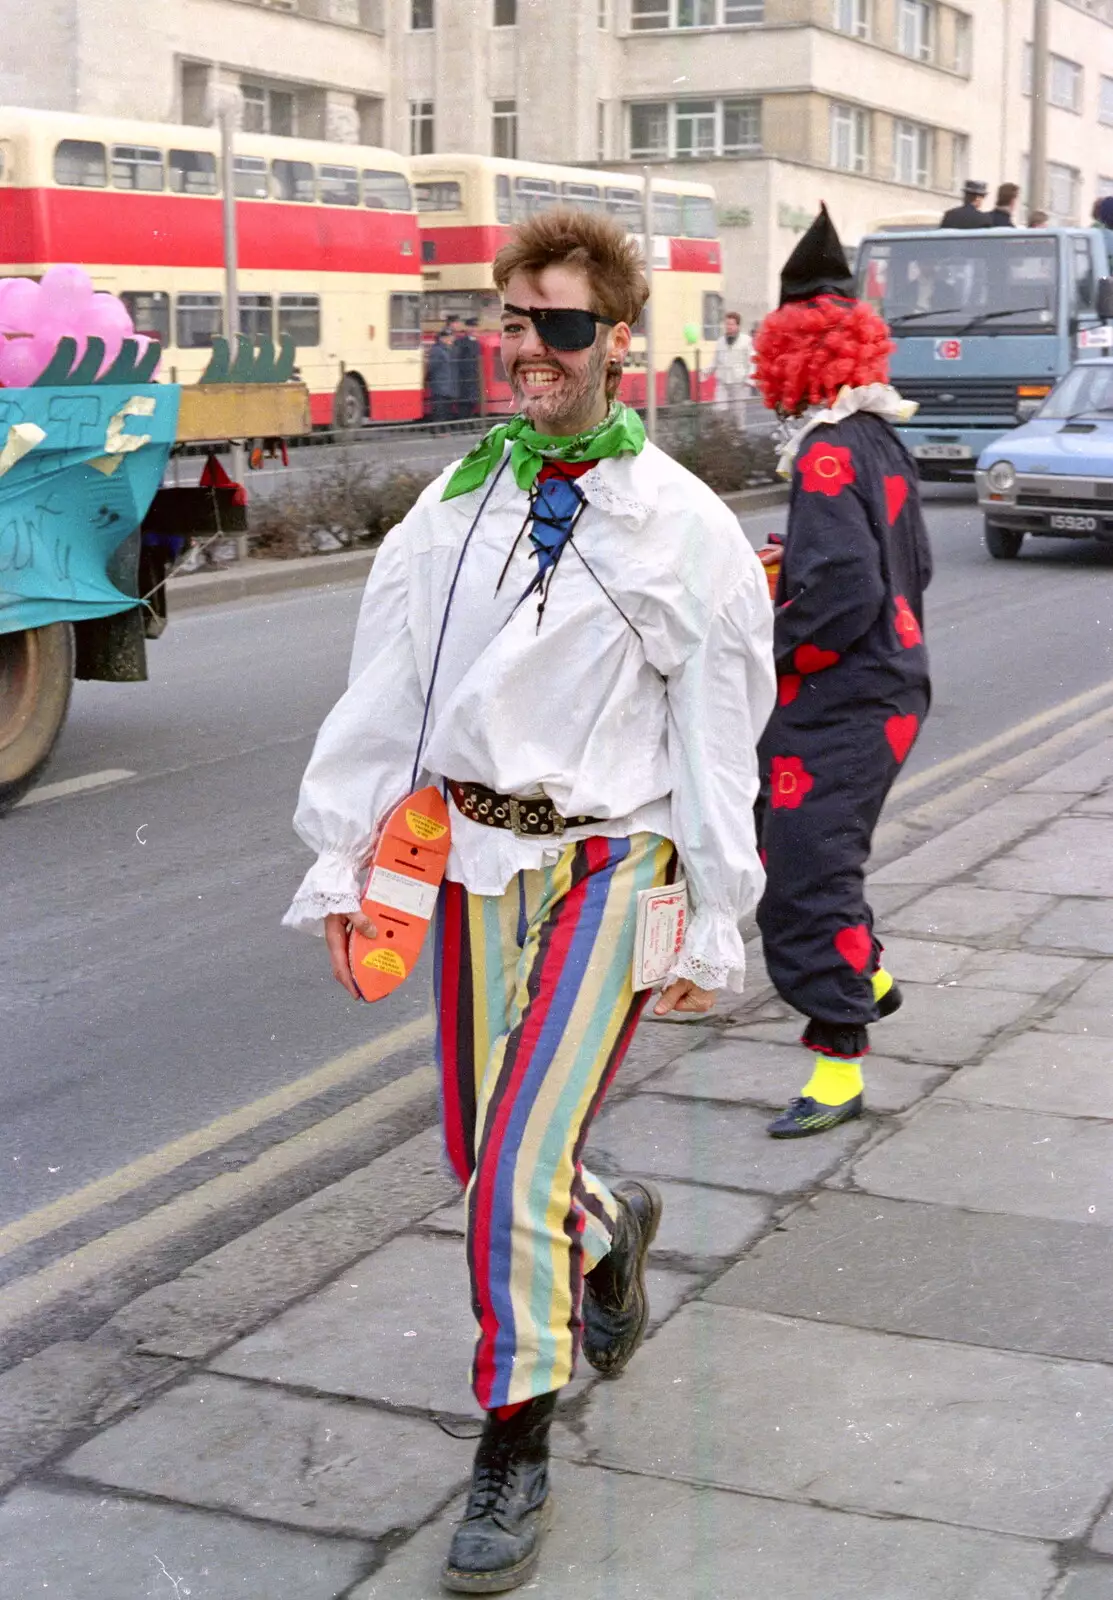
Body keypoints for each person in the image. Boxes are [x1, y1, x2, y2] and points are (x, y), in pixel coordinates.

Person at [284, 207, 775, 1593]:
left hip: (613, 864)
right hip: (467, 861)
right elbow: (388, 702)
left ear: (620, 341)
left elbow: (715, 740)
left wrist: (718, 912)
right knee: (483, 1159)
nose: (527, 351)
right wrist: (345, 861)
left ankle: (514, 1444)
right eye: (511, 322)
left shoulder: (684, 530)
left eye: (557, 325)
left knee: (507, 1177)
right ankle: (608, 1226)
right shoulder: (453, 508)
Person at [751, 204, 932, 1139]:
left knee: (803, 877)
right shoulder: (873, 439)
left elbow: (837, 603)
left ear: (791, 356)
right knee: (792, 845)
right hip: (888, 685)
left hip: (841, 697)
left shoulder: (826, 452)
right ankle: (868, 972)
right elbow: (905, 566)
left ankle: (837, 1065)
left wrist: (766, 641)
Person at [711, 310, 752, 423]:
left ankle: (739, 434)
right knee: (720, 409)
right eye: (727, 324)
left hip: (739, 382)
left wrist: (749, 379)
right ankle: (724, 433)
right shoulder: (720, 341)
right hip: (723, 380)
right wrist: (705, 373)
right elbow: (715, 360)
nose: (728, 327)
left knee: (738, 411)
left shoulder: (746, 341)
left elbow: (752, 361)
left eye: (731, 324)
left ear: (738, 326)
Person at [452, 316, 483, 419]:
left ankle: (468, 421)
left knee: (472, 402)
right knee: (464, 402)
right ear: (467, 328)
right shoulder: (461, 342)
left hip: (473, 377)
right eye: (471, 326)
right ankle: (463, 423)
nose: (473, 329)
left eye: (475, 327)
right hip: (464, 377)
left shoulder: (477, 343)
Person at [425, 329, 457, 422]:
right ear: (443, 338)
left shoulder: (448, 349)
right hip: (440, 384)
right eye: (450, 338)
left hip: (448, 384)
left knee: (446, 409)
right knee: (440, 409)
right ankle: (439, 430)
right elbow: (432, 366)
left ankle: (443, 429)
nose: (452, 340)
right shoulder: (437, 350)